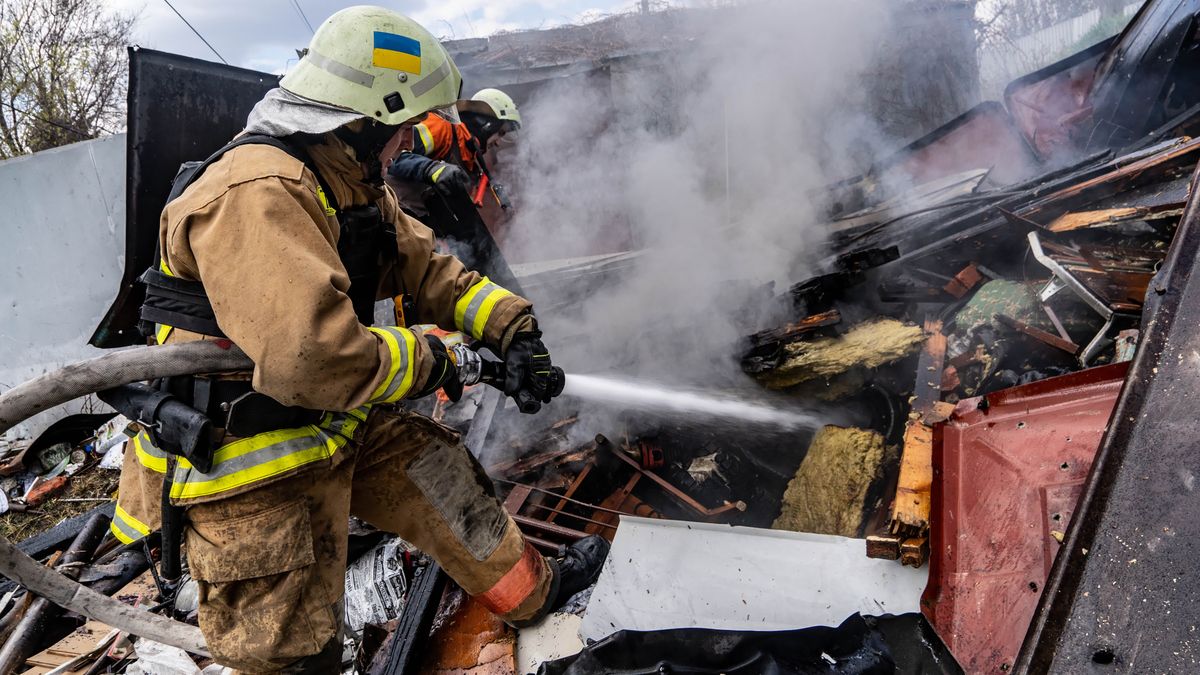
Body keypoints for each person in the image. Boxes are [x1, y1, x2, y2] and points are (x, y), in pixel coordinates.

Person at [111, 7, 608, 672]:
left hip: (331, 423)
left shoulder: (349, 179)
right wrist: (442, 358)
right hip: (244, 456)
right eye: (401, 127)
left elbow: (432, 269)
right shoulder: (256, 189)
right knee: (291, 647)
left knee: (443, 478)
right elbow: (315, 356)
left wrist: (514, 328)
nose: (409, 142)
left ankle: (534, 594)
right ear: (367, 116)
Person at [386, 88, 522, 213]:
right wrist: (432, 169)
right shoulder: (442, 127)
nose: (498, 143)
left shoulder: (468, 157)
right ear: (487, 125)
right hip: (389, 207)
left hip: (417, 224)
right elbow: (392, 157)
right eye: (500, 133)